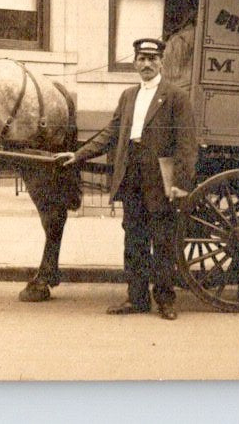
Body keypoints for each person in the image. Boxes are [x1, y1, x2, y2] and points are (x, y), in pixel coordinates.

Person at [55, 37, 197, 321]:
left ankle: (166, 300)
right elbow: (111, 133)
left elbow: (186, 144)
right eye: (141, 59)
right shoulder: (129, 95)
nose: (146, 64)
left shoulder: (176, 97)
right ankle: (137, 299)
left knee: (163, 240)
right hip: (131, 173)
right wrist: (79, 155)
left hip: (159, 177)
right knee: (134, 239)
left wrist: (180, 183)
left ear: (161, 62)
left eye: (152, 59)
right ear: (135, 63)